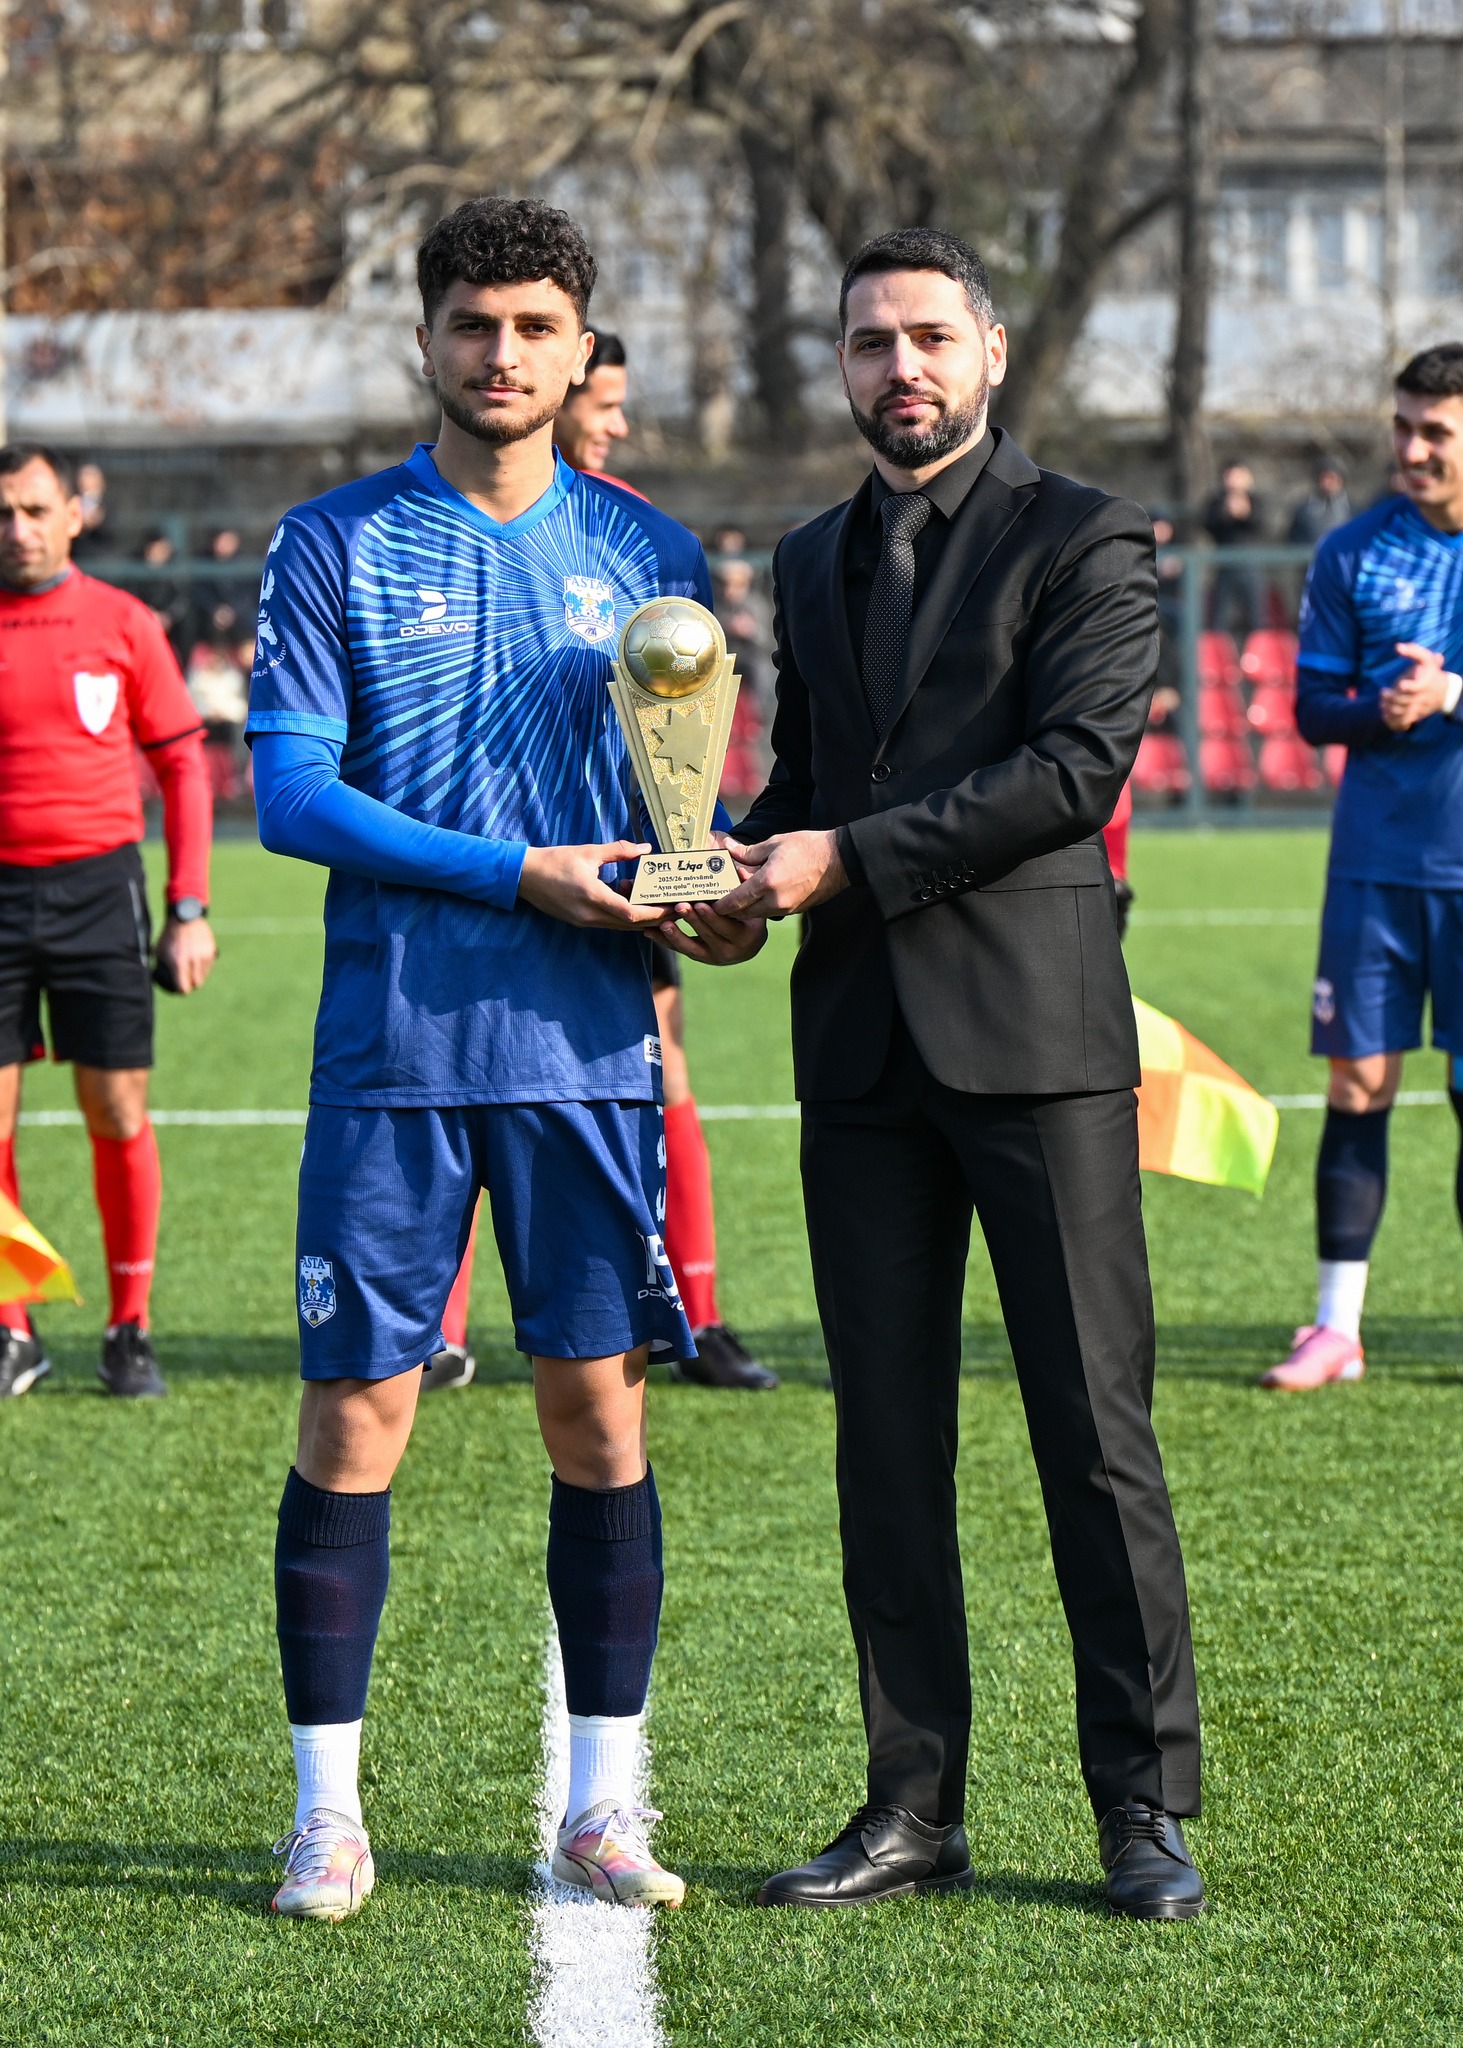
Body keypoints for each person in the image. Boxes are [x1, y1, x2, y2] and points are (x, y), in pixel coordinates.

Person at [661, 228, 1204, 1919]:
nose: (896, 368)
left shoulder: (1086, 534)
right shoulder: (805, 553)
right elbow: (808, 779)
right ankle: (911, 1805)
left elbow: (1072, 769)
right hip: (858, 1053)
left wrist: (839, 858)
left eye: (924, 337)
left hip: (1036, 1044)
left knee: (1091, 1435)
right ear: (837, 365)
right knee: (883, 1444)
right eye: (865, 342)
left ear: (987, 352)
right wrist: (729, 879)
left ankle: (1140, 1806)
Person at [249, 197, 702, 1920]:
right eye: (470, 323)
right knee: (357, 1411)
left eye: (532, 327)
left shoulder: (648, 551)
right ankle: (326, 1814)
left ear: (580, 349)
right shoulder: (334, 543)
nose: (500, 354)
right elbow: (292, 795)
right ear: (424, 339)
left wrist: (702, 891)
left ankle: (603, 1801)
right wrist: (518, 873)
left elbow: (676, 799)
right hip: (396, 1045)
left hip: (583, 1049)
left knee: (597, 1416)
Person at [1263, 344, 1463, 1391]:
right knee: (1356, 1083)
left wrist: (1450, 694)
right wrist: (1380, 709)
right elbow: (1309, 708)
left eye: (1435, 432)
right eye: (1402, 427)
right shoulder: (1350, 550)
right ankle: (1334, 1328)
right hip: (1375, 864)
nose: (1411, 449)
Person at [0, 443, 216, 1400]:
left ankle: (130, 1326)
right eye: (3, 513)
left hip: (100, 892)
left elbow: (182, 766)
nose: (18, 529)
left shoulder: (123, 621)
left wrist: (188, 907)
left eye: (34, 509)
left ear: (72, 515)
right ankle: (13, 1327)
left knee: (118, 1111)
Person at [1204, 459, 1264, 638]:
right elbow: (1208, 524)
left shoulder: (1256, 500)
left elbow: (1262, 524)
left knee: (1256, 619)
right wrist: (1225, 513)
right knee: (1219, 619)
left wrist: (1245, 513)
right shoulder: (1216, 502)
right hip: (1225, 567)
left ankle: (1256, 653)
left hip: (1251, 567)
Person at [1287, 461, 1352, 546]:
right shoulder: (1303, 511)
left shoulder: (1353, 511)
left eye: (1331, 478)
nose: (1327, 483)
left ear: (1340, 480)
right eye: (1323, 478)